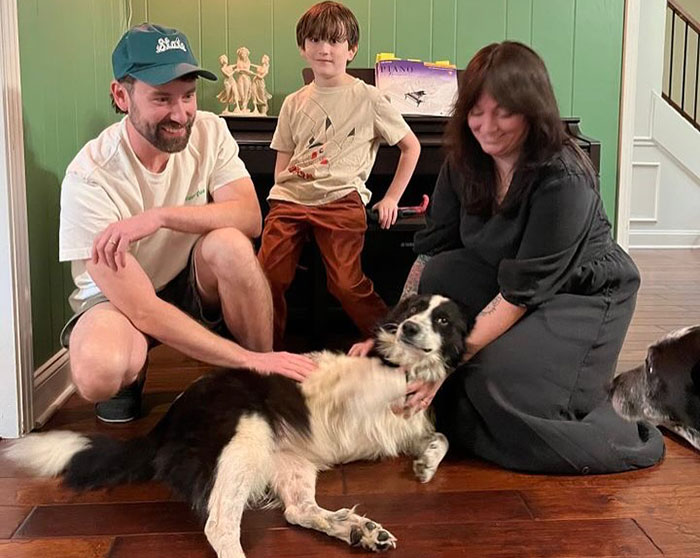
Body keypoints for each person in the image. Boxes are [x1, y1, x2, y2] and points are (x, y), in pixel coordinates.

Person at [353, 41, 665, 474]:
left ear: (533, 111)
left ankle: (610, 421)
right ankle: (459, 410)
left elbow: (520, 294)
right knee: (444, 272)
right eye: (477, 111)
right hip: (510, 280)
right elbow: (431, 253)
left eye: (504, 112)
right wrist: (390, 335)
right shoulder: (463, 160)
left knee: (490, 380)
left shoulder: (565, 178)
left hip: (581, 295)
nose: (487, 126)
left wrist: (445, 362)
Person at [59, 23, 315, 423]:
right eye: (162, 98)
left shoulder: (210, 130)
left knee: (230, 244)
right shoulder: (90, 177)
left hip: (186, 280)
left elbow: (249, 217)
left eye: (189, 96)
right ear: (121, 95)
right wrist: (241, 357)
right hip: (122, 300)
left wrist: (159, 217)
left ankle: (262, 382)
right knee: (98, 370)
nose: (180, 114)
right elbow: (143, 309)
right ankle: (135, 372)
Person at [257, 1, 421, 349]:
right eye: (315, 40)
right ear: (303, 48)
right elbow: (282, 161)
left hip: (341, 200)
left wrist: (391, 197)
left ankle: (391, 343)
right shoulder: (293, 102)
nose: (324, 49)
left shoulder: (370, 98)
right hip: (290, 199)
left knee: (346, 283)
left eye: (334, 40)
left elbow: (411, 147)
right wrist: (281, 191)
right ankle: (263, 353)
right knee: (266, 276)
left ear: (352, 48)